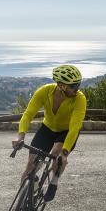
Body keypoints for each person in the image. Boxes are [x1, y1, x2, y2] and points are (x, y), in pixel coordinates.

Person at [13, 64, 87, 202]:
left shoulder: (79, 99)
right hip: (47, 129)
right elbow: (28, 114)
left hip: (66, 132)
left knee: (56, 156)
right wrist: (20, 136)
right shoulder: (44, 91)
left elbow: (75, 127)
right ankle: (30, 195)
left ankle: (54, 182)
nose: (77, 89)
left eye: (78, 85)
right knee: (31, 166)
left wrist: (64, 154)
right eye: (74, 86)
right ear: (61, 85)